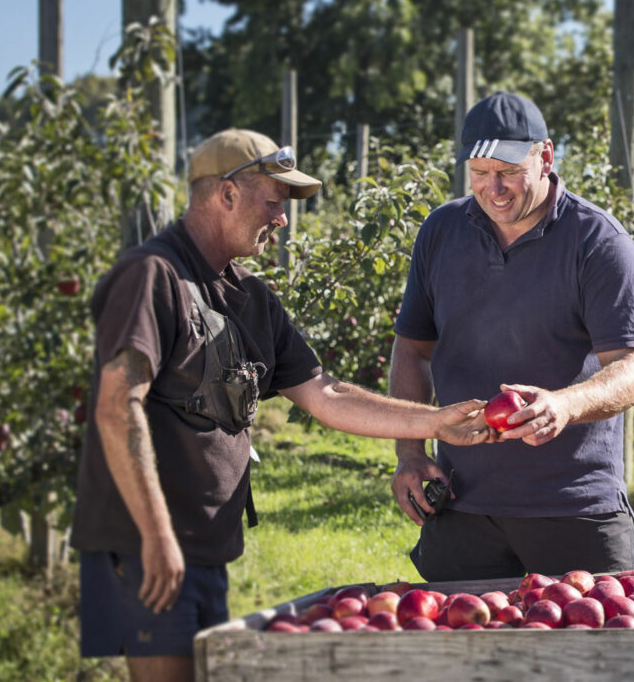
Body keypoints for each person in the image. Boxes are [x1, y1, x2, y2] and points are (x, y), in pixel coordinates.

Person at [70, 128, 493, 682]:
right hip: (145, 541)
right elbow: (116, 407)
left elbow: (327, 395)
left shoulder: (251, 299)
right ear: (225, 194)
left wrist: (434, 421)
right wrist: (154, 535)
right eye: (272, 202)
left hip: (202, 543)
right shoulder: (152, 277)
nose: (282, 219)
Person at [389, 91, 634, 582]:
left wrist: (564, 405)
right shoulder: (441, 232)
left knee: (598, 654)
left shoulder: (598, 242)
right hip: (463, 505)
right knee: (461, 651)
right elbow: (412, 349)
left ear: (545, 157)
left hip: (575, 506)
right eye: (480, 173)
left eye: (508, 171)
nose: (494, 188)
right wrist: (410, 451)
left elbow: (631, 372)